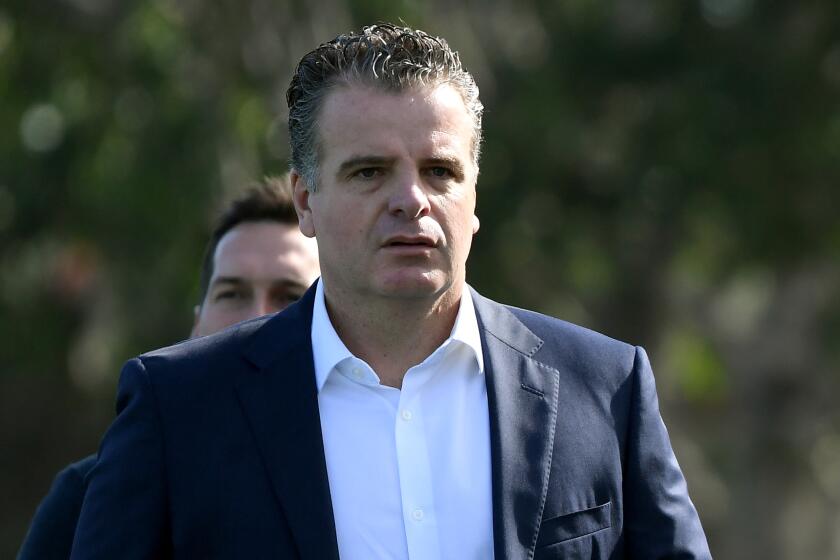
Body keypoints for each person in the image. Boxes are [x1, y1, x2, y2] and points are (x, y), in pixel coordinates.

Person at [70, 23, 711, 559]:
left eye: (440, 171)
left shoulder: (606, 387)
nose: (411, 201)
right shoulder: (178, 407)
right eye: (369, 172)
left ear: (475, 195)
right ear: (305, 201)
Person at [18, 175, 319, 560]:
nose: (256, 318)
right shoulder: (85, 496)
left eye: (289, 296)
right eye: (232, 293)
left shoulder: (370, 474)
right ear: (196, 324)